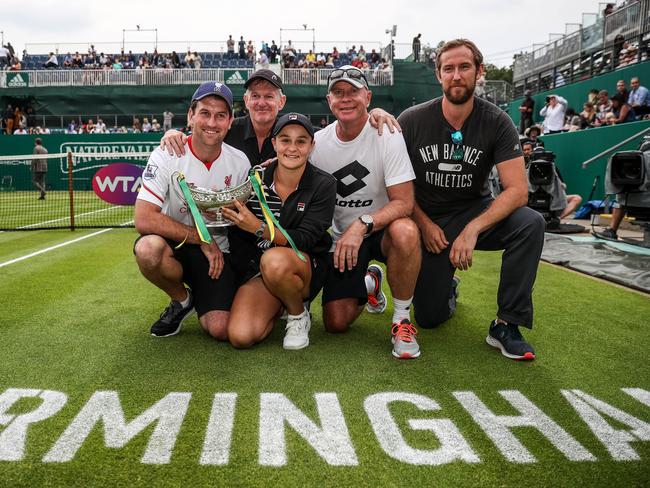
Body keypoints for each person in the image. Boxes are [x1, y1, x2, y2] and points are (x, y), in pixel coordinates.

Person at [398, 38, 545, 361]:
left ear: (480, 72)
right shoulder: (412, 120)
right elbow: (394, 184)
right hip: (430, 218)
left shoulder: (497, 121)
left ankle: (506, 324)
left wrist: (473, 229)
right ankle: (447, 287)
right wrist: (422, 224)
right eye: (448, 69)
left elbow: (518, 190)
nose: (456, 75)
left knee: (531, 223)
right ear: (438, 75)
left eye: (464, 67)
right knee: (430, 318)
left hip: (476, 211)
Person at [310, 66, 422, 359]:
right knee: (335, 323)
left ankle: (401, 319)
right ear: (329, 100)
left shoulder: (387, 133)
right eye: (338, 93)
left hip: (380, 230)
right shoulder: (318, 143)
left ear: (368, 96)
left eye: (353, 92)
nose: (345, 99)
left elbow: (404, 203)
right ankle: (370, 281)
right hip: (343, 239)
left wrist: (362, 224)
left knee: (406, 230)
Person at [133, 81, 250, 339]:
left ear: (230, 122)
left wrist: (225, 213)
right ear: (190, 116)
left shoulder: (240, 162)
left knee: (220, 329)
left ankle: (204, 295)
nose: (212, 122)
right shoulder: (167, 154)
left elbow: (241, 215)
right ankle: (182, 300)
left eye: (221, 115)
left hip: (218, 253)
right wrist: (201, 238)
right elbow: (143, 218)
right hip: (175, 244)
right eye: (205, 113)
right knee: (147, 250)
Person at [223, 113, 337, 350]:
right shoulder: (255, 179)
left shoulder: (324, 184)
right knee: (241, 336)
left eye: (301, 141)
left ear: (311, 146)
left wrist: (258, 228)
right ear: (274, 143)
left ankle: (298, 315)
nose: (292, 148)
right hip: (262, 271)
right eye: (285, 140)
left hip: (305, 265)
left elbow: (305, 239)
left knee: (274, 259)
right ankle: (281, 302)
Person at [160, 68, 400, 167]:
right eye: (255, 96)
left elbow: (340, 131)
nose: (261, 102)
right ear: (246, 101)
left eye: (269, 96)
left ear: (281, 101)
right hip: (235, 232)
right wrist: (174, 134)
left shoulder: (302, 132)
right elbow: (202, 136)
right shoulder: (227, 130)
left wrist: (375, 113)